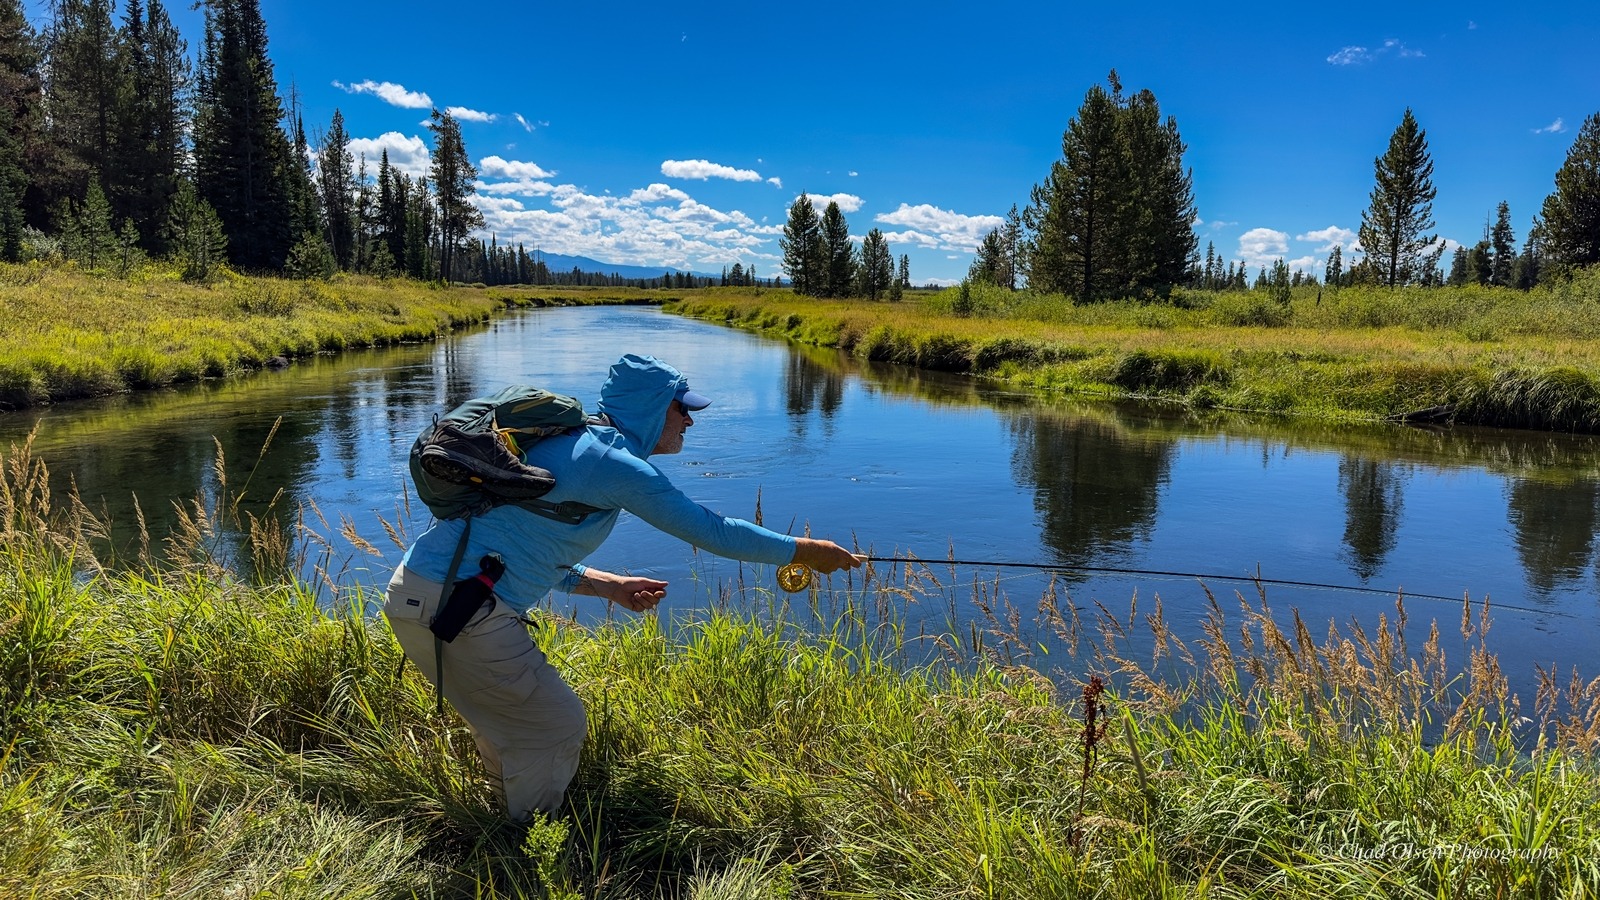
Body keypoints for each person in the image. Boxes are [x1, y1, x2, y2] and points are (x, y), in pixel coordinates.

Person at [383, 353, 861, 821]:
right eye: (683, 408)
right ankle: (527, 847)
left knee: (512, 725)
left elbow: (521, 545)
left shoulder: (577, 442)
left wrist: (609, 586)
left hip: (425, 595)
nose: (689, 422)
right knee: (555, 725)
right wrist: (808, 551)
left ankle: (503, 819)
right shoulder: (613, 464)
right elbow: (714, 532)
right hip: (460, 610)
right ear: (653, 407)